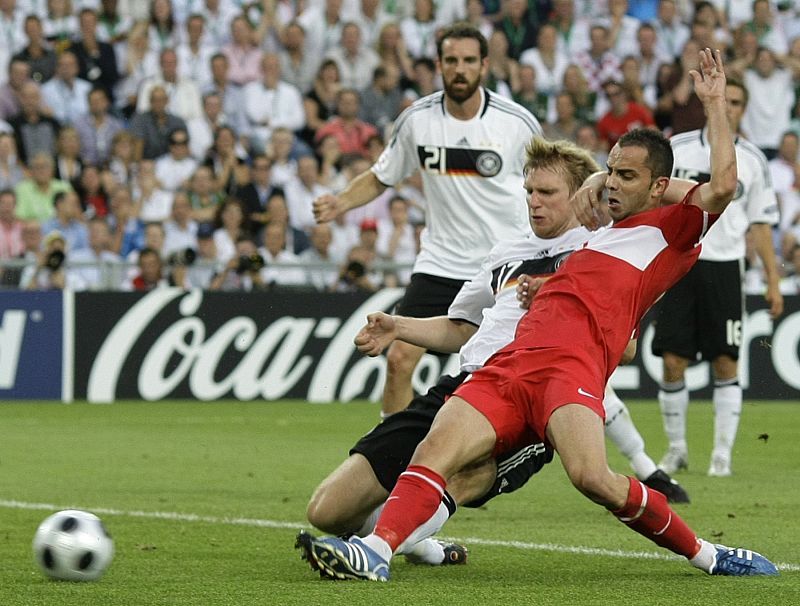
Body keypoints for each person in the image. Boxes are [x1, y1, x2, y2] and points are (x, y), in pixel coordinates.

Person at [297, 49, 780, 580]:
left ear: (658, 187)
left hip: (570, 371)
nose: (612, 183)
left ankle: (707, 553)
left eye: (626, 176)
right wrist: (599, 181)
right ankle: (376, 551)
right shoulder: (590, 229)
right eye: (610, 171)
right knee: (433, 448)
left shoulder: (672, 231)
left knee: (592, 478)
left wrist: (714, 105)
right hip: (508, 364)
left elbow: (721, 189)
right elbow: (586, 207)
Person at [300, 137, 689, 569]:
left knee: (465, 473)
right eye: (529, 191)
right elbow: (461, 328)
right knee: (328, 511)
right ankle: (416, 543)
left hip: (535, 394)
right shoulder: (508, 252)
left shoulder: (603, 247)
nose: (534, 202)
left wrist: (556, 293)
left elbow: (626, 346)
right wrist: (399, 327)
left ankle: (380, 548)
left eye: (547, 193)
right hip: (465, 384)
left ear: (580, 194)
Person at [313, 23, 543, 417]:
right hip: (441, 261)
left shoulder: (516, 123)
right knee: (399, 359)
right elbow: (381, 176)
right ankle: (390, 451)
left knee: (510, 369)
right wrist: (340, 202)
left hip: (503, 262)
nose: (459, 69)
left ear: (484, 65)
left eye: (468, 61)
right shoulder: (417, 120)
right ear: (438, 65)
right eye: (451, 60)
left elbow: (550, 180)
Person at [653, 77, 784, 479]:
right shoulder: (677, 148)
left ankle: (721, 455)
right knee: (672, 360)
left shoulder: (754, 160)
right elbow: (653, 203)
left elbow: (760, 224)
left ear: (745, 110)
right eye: (726, 100)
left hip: (725, 266)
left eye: (738, 103)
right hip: (679, 262)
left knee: (726, 362)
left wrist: (773, 280)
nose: (730, 108)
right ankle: (676, 449)